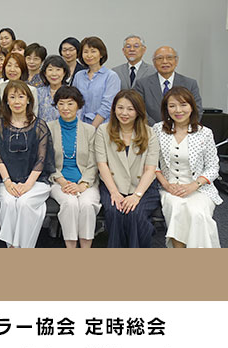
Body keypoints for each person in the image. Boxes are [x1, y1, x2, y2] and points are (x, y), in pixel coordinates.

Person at [154, 87, 222, 248]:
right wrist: (166, 184)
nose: (178, 110)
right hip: (169, 188)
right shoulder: (158, 129)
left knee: (198, 214)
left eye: (183, 104)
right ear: (166, 109)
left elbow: (213, 167)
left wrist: (194, 185)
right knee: (177, 210)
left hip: (199, 189)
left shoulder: (205, 133)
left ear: (192, 107)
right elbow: (151, 164)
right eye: (172, 106)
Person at [95, 89, 160, 248]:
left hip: (142, 187)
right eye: (120, 108)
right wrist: (114, 192)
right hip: (113, 185)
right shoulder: (103, 130)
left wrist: (136, 196)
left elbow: (150, 169)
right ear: (114, 109)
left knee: (135, 214)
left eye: (130, 109)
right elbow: (102, 164)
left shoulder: (150, 133)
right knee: (114, 212)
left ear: (138, 111)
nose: (124, 113)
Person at [0, 80, 54, 248]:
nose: (17, 101)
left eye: (21, 97)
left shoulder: (40, 125)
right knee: (8, 203)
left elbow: (42, 159)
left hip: (36, 181)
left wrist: (28, 184)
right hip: (8, 180)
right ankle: (12, 247)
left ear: (28, 100)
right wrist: (8, 182)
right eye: (12, 97)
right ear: (6, 101)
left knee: (24, 203)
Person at [47, 86, 100, 248]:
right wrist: (63, 182)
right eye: (61, 103)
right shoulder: (48, 128)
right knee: (69, 204)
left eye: (70, 103)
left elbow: (94, 162)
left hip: (86, 182)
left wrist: (83, 184)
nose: (65, 108)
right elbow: (47, 161)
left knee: (87, 204)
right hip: (58, 182)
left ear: (78, 105)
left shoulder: (89, 130)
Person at [134, 46, 202, 126]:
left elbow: (197, 110)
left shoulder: (190, 84)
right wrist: (158, 128)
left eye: (169, 58)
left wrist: (181, 128)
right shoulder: (142, 84)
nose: (165, 61)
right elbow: (140, 110)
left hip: (183, 130)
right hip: (151, 130)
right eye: (160, 58)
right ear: (154, 63)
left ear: (176, 61)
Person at [73, 37, 121, 129]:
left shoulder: (111, 76)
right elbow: (74, 101)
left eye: (93, 51)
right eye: (85, 52)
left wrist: (92, 128)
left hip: (103, 126)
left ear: (101, 54)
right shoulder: (79, 76)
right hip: (80, 125)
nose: (89, 55)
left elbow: (108, 105)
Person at [37, 55, 70, 122]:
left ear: (64, 73)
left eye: (58, 69)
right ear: (45, 73)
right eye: (50, 70)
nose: (54, 74)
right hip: (42, 128)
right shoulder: (38, 93)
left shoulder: (71, 93)